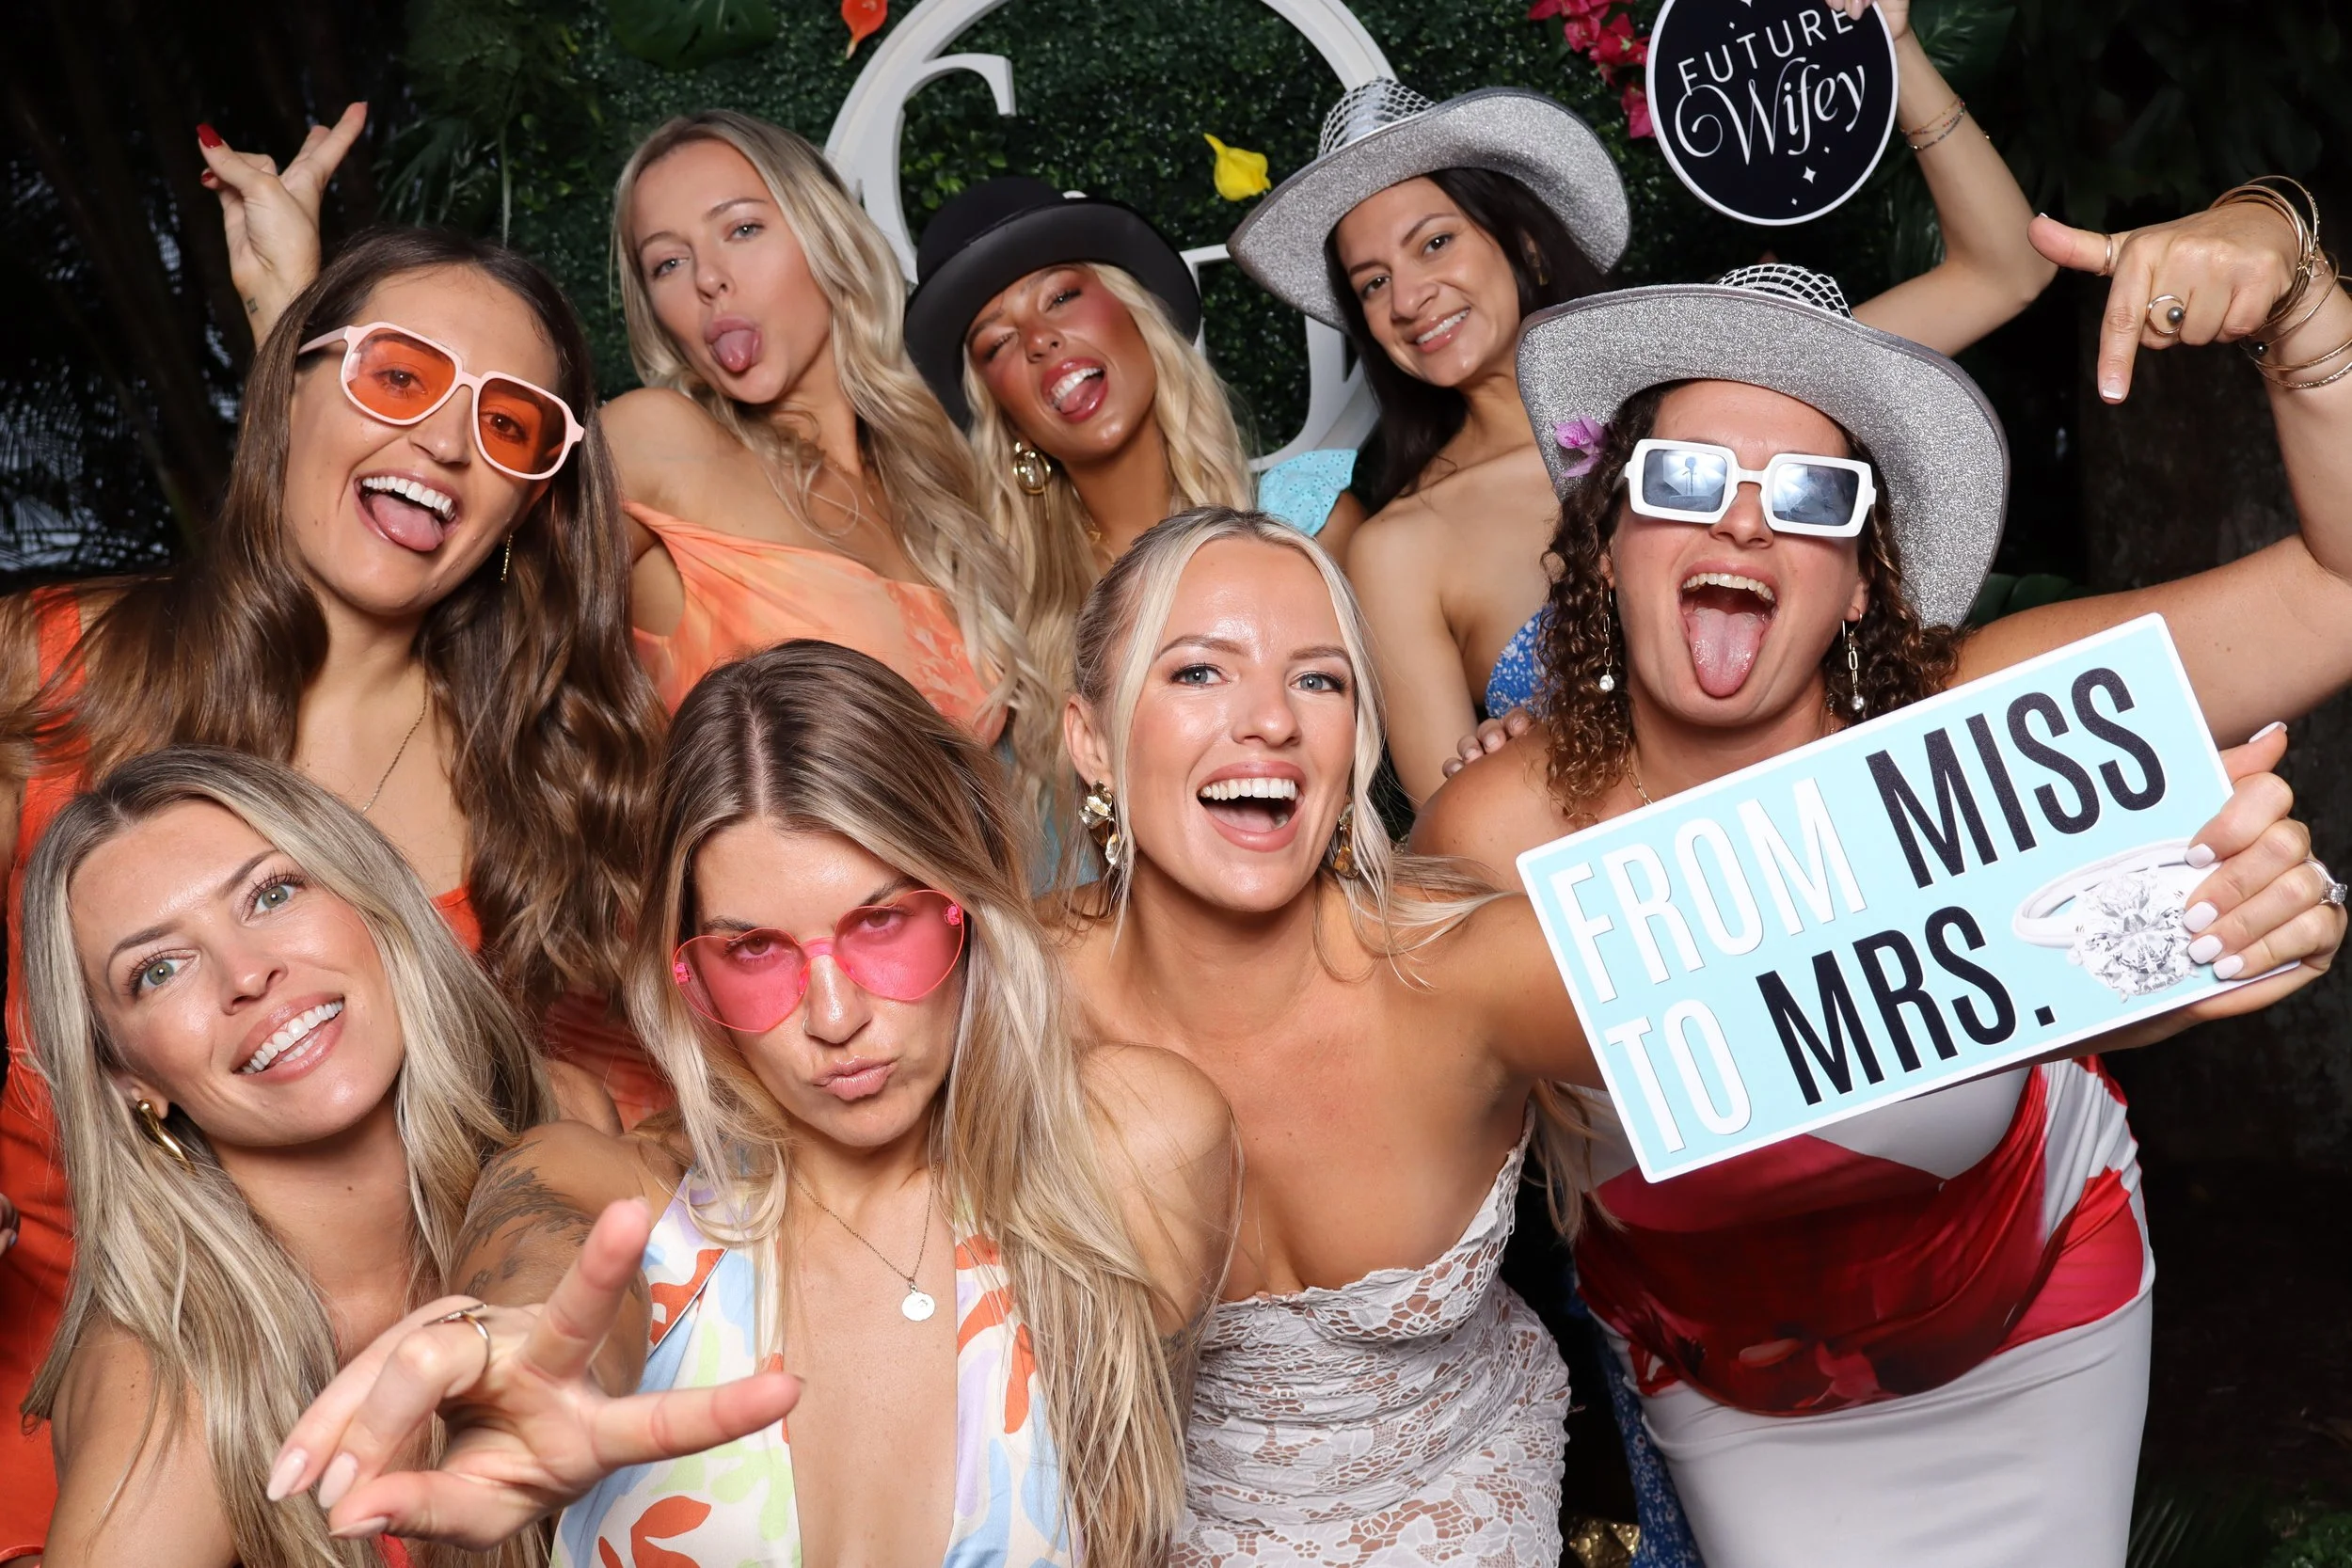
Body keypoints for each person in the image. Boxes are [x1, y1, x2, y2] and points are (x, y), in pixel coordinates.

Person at [1054, 504, 2332, 1563]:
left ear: (1353, 740)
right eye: (1198, 669)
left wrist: (2179, 928)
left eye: (1319, 677)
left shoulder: (1459, 974)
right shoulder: (999, 990)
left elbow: (1814, 992)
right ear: (1086, 740)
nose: (1268, 718)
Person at [1414, 184, 2352, 1566]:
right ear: (1608, 546)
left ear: (1859, 580)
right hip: (1739, 1393)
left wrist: (2304, 307)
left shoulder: (1973, 727)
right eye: (1682, 480)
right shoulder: (1503, 830)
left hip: (2037, 1310)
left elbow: (2338, 588)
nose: (1742, 525)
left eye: (1810, 494)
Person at [265, 641, 1239, 1567]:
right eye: (754, 951)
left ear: (973, 899)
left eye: (881, 922)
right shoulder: (624, 1195)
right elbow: (548, 1272)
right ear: (686, 972)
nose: (833, 1014)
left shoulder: (1128, 1148)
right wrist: (514, 1352)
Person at [0, 222, 665, 1550]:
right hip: (66, 1362)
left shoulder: (550, 794)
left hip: (380, 1402)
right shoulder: (54, 670)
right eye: (400, 377)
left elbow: (596, 1129)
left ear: (533, 497)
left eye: (511, 423)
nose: (444, 443)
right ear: (286, 387)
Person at [1231, 0, 2058, 802]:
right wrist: (1514, 760)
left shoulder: (1733, 384)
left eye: (1435, 242)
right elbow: (1465, 867)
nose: (1407, 299)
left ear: (1521, 239)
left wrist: (1897, 49)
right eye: (1373, 284)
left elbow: (2008, 270)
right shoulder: (1401, 549)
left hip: (1844, 817)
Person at [210, 109, 1056, 805]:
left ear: (828, 238)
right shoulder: (660, 441)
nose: (709, 281)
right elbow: (432, 556)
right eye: (668, 262)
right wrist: (289, 309)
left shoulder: (939, 479)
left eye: (744, 229)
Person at [24, 747, 555, 1567]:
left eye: (271, 893)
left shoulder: (558, 1124)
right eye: (158, 969)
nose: (247, 974)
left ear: (371, 901)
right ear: (129, 1077)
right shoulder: (179, 1394)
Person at [902, 179, 1359, 716]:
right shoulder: (999, 622)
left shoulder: (1307, 527)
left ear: (1140, 317)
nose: (1038, 340)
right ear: (1008, 420)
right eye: (997, 343)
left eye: (1062, 297)